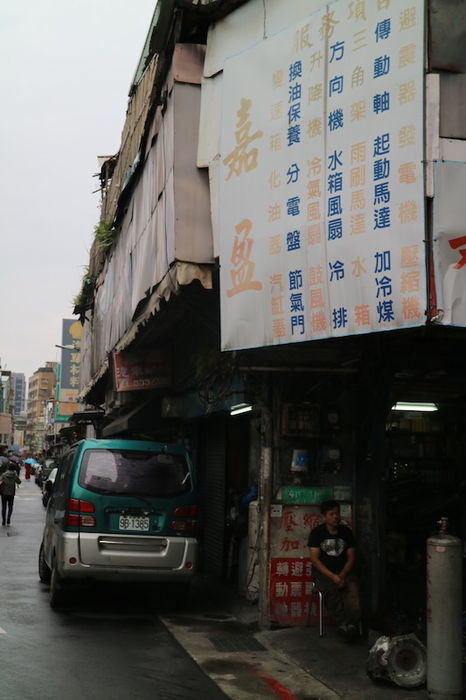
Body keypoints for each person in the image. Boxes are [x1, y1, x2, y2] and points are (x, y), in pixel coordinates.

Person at [308, 499, 361, 641]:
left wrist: (342, 575)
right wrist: (333, 577)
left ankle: (352, 625)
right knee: (331, 591)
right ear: (324, 517)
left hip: (344, 572)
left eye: (337, 513)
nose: (335, 517)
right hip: (324, 573)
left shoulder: (346, 532)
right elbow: (315, 560)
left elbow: (351, 557)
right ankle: (342, 624)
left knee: (354, 595)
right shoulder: (317, 533)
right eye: (331, 514)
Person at [0, 461, 21, 526]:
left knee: (4, 507)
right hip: (11, 493)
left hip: (3, 493)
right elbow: (19, 482)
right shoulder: (15, 475)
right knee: (10, 507)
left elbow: (0, 481)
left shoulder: (4, 475)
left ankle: (3, 521)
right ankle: (8, 519)